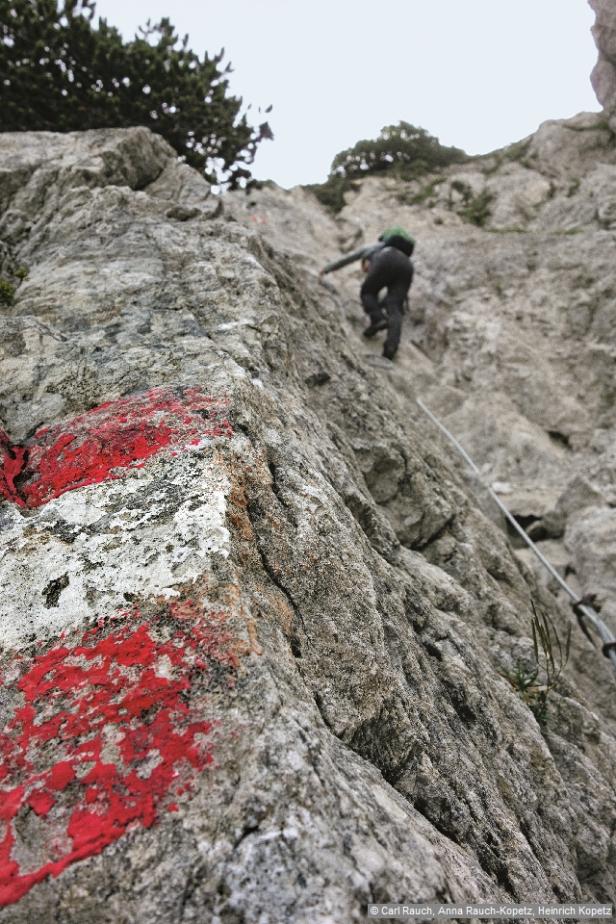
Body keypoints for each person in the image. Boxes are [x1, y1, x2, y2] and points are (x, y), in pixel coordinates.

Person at [321, 226, 415, 360]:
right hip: (407, 266)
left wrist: (327, 269)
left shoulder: (376, 248)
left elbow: (349, 258)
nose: (365, 271)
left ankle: (378, 319)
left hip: (387, 258)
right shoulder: (404, 255)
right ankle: (391, 347)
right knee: (395, 307)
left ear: (366, 261)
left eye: (364, 268)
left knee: (367, 292)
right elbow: (390, 298)